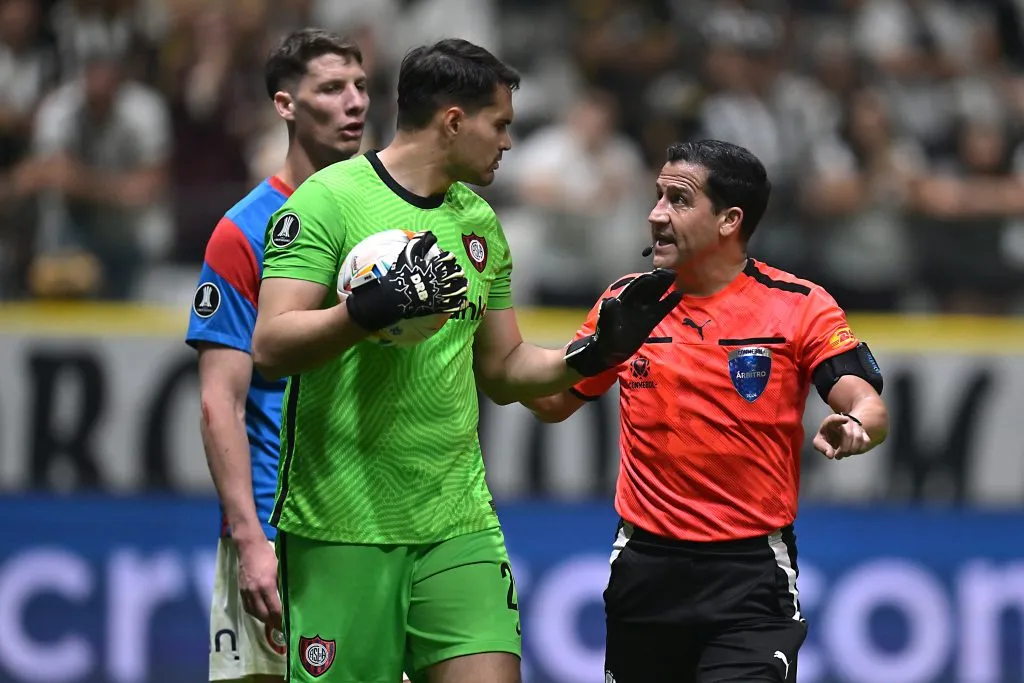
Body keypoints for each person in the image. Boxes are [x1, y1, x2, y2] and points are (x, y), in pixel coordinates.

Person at [250, 38, 679, 683]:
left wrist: (596, 353)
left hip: (458, 519)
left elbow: (505, 370)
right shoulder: (327, 201)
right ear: (454, 121)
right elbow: (270, 348)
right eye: (500, 125)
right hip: (341, 522)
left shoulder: (479, 223)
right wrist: (361, 312)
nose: (508, 143)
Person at [526, 140, 890, 683]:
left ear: (729, 220)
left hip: (749, 575)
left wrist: (858, 424)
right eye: (657, 197)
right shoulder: (627, 305)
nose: (655, 214)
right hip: (644, 568)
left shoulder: (797, 304)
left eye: (678, 199)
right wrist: (580, 352)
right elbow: (551, 403)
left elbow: (865, 400)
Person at [184, 29, 369, 683]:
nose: (355, 103)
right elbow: (219, 401)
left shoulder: (386, 223)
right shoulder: (243, 231)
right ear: (286, 104)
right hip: (279, 528)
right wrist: (250, 539)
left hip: (374, 524)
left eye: (361, 86)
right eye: (331, 89)